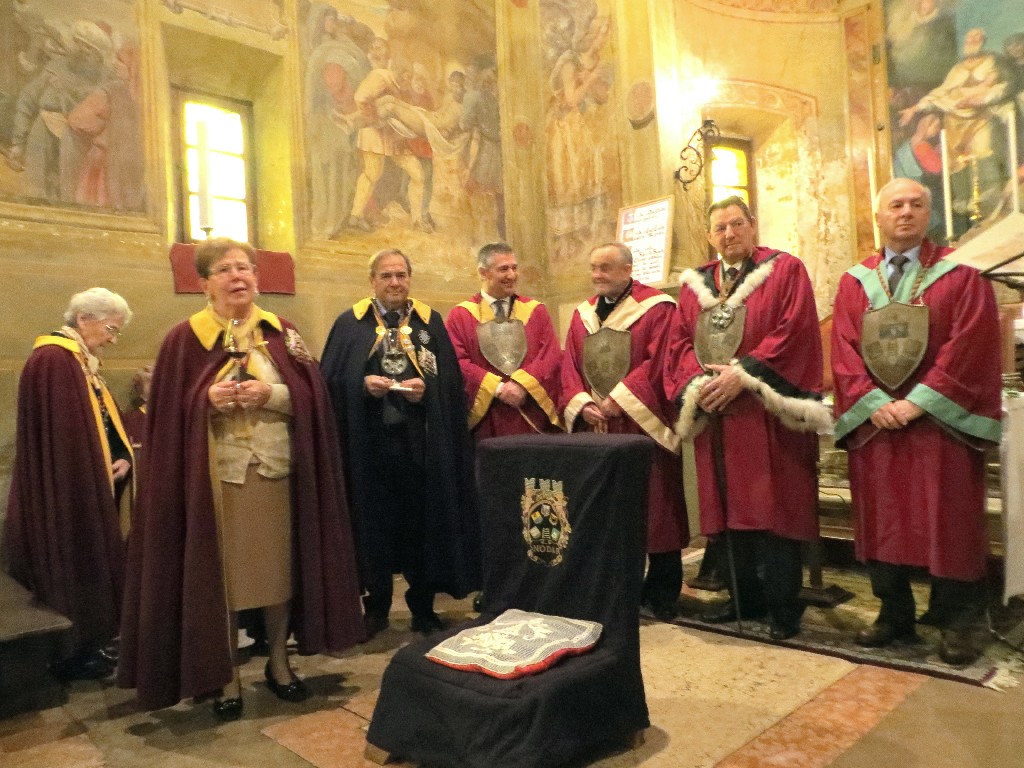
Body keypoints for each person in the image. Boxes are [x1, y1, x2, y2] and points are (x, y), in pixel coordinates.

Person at [117, 238, 363, 719]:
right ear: (204, 283)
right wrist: (206, 401)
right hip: (217, 483)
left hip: (276, 475)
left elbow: (313, 399)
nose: (238, 277)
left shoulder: (281, 332)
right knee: (224, 582)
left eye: (245, 268)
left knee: (279, 577)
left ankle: (279, 663)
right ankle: (225, 674)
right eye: (225, 270)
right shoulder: (183, 339)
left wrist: (271, 394)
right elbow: (165, 413)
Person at [831, 178, 1002, 665]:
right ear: (879, 216)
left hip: (939, 424)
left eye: (915, 204)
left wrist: (918, 402)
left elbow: (970, 343)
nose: (905, 212)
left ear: (929, 214)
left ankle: (957, 621)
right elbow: (843, 349)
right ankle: (894, 613)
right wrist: (871, 402)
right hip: (877, 424)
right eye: (895, 205)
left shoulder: (962, 273)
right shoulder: (854, 282)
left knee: (949, 520)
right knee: (882, 519)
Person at [666, 197, 831, 640]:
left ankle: (783, 608)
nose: (729, 234)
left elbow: (794, 331)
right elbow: (679, 343)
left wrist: (743, 376)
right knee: (728, 514)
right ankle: (743, 600)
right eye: (720, 228)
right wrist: (700, 386)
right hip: (718, 413)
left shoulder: (784, 270)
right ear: (709, 235)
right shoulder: (695, 285)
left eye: (737, 224)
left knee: (775, 513)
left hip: (767, 415)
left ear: (752, 226)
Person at [321, 248, 480, 639]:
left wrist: (426, 392)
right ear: (372, 280)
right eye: (386, 275)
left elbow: (451, 384)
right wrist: (361, 385)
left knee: (420, 526)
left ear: (409, 278)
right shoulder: (351, 324)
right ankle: (376, 607)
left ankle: (423, 608)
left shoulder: (429, 323)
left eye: (401, 275)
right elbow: (329, 382)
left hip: (418, 445)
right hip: (369, 446)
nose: (395, 282)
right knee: (373, 525)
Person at [5, 287, 133, 680]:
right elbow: (64, 439)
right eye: (111, 329)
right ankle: (73, 650)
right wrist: (87, 475)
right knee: (74, 560)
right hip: (68, 491)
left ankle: (92, 642)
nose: (113, 340)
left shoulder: (78, 360)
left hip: (89, 482)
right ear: (84, 319)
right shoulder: (54, 361)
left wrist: (122, 457)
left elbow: (100, 424)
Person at [560, 242, 688, 621]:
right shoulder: (582, 315)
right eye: (593, 268)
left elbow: (661, 360)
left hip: (641, 423)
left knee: (656, 508)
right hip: (597, 426)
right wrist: (582, 403)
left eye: (605, 268)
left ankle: (662, 592)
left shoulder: (659, 309)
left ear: (628, 269)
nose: (597, 275)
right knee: (609, 513)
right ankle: (619, 589)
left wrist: (619, 398)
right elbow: (569, 366)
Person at [446, 242, 562, 439]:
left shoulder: (536, 311)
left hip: (531, 414)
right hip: (487, 418)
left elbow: (550, 355)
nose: (512, 275)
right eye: (503, 269)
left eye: (514, 268)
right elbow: (457, 362)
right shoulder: (460, 316)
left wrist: (522, 385)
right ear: (483, 273)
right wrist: (497, 388)